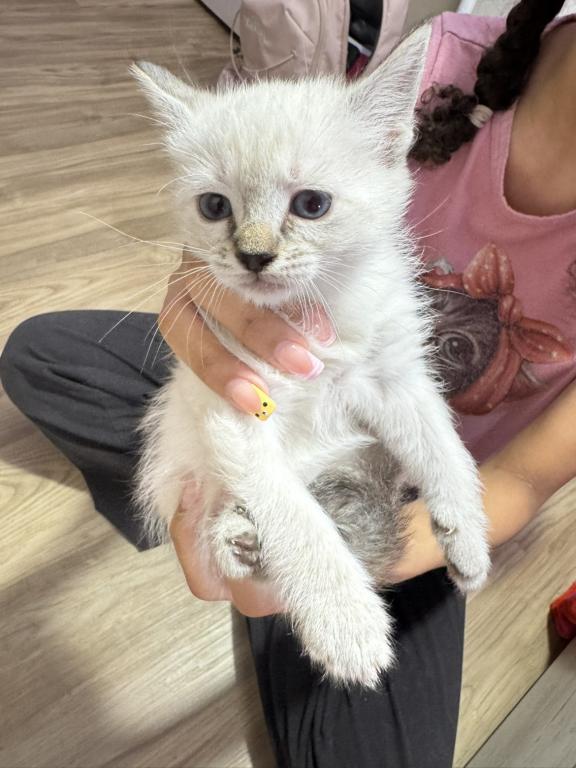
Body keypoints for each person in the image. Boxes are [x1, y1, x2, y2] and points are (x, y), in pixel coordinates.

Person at [1, 0, 575, 765]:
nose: (255, 246)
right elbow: (234, 344)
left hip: (393, 502)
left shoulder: (374, 234)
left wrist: (346, 562)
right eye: (216, 208)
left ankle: (266, 533)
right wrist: (196, 297)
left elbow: (504, 469)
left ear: (390, 151)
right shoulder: (448, 62)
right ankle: (248, 524)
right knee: (41, 352)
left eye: (309, 206)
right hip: (277, 411)